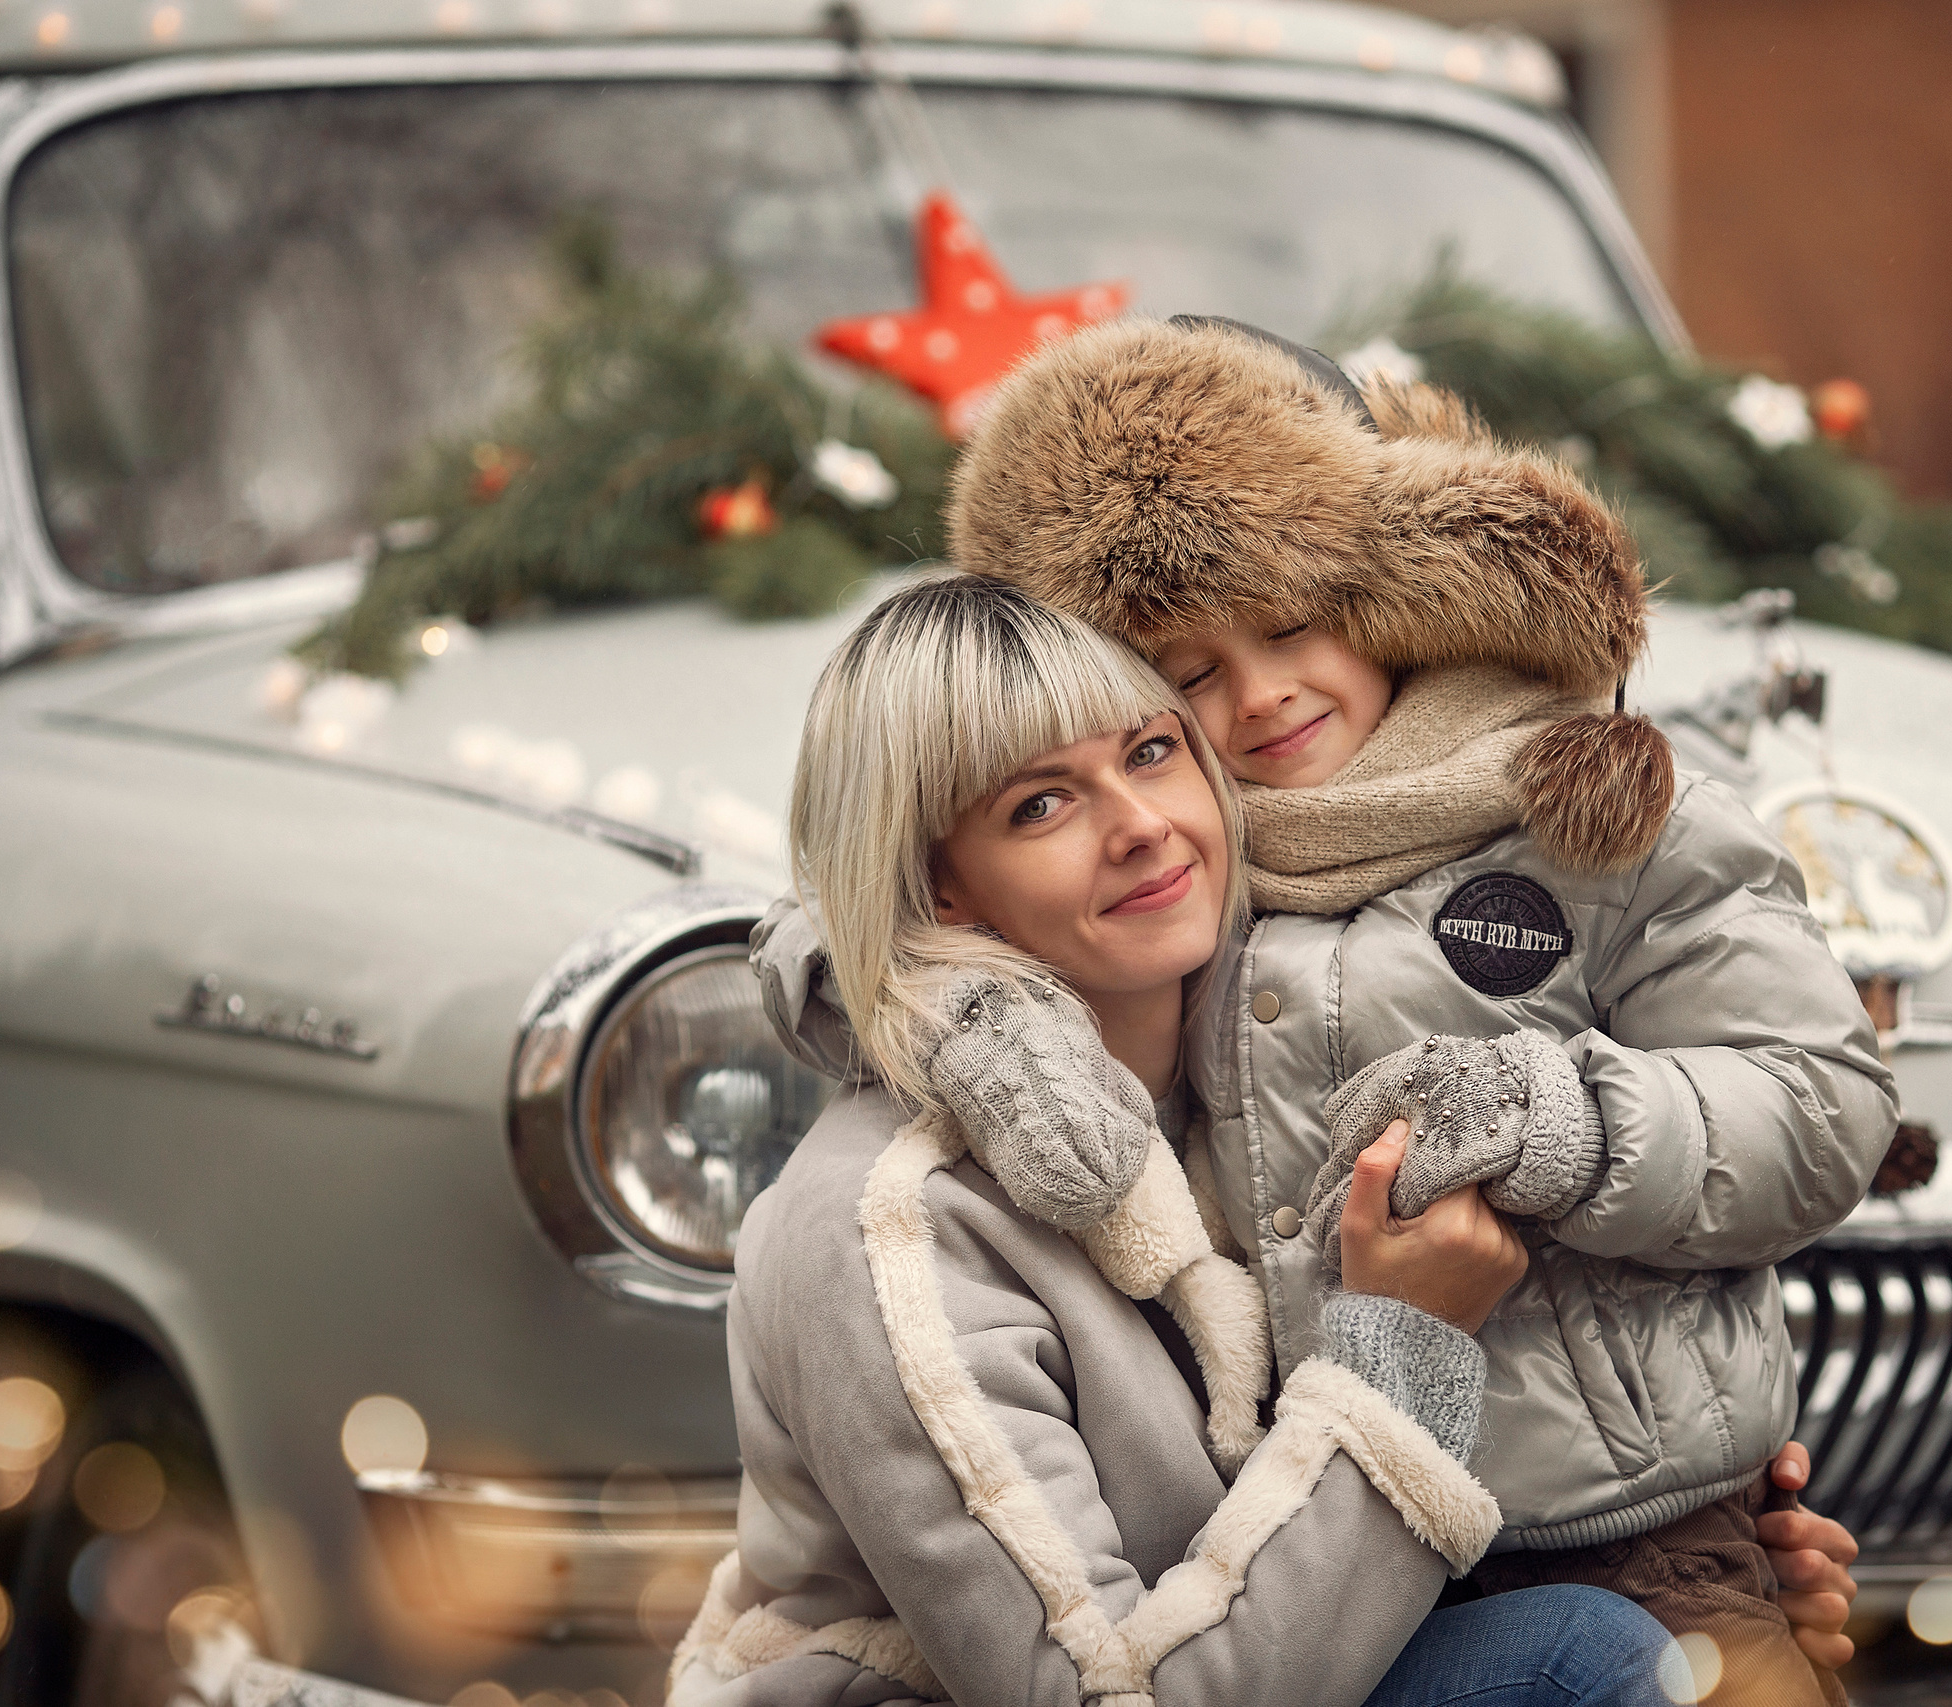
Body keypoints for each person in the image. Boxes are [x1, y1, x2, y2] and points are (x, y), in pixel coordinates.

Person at [669, 576, 1858, 1706]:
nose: (1138, 825)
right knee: (1578, 1661)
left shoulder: (1235, 1073)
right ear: (941, 892)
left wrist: (1701, 1561)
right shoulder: (886, 1227)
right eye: (1039, 805)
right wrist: (1407, 1348)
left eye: (1148, 752)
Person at [945, 319, 1899, 1706]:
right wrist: (959, 1013)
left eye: (1289, 622)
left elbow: (1817, 1104)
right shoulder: (1162, 859)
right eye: (1187, 670)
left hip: (1627, 1531)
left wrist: (1569, 1118)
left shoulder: (1591, 807)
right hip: (1306, 1543)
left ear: (1388, 584)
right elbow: (890, 895)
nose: (1260, 694)